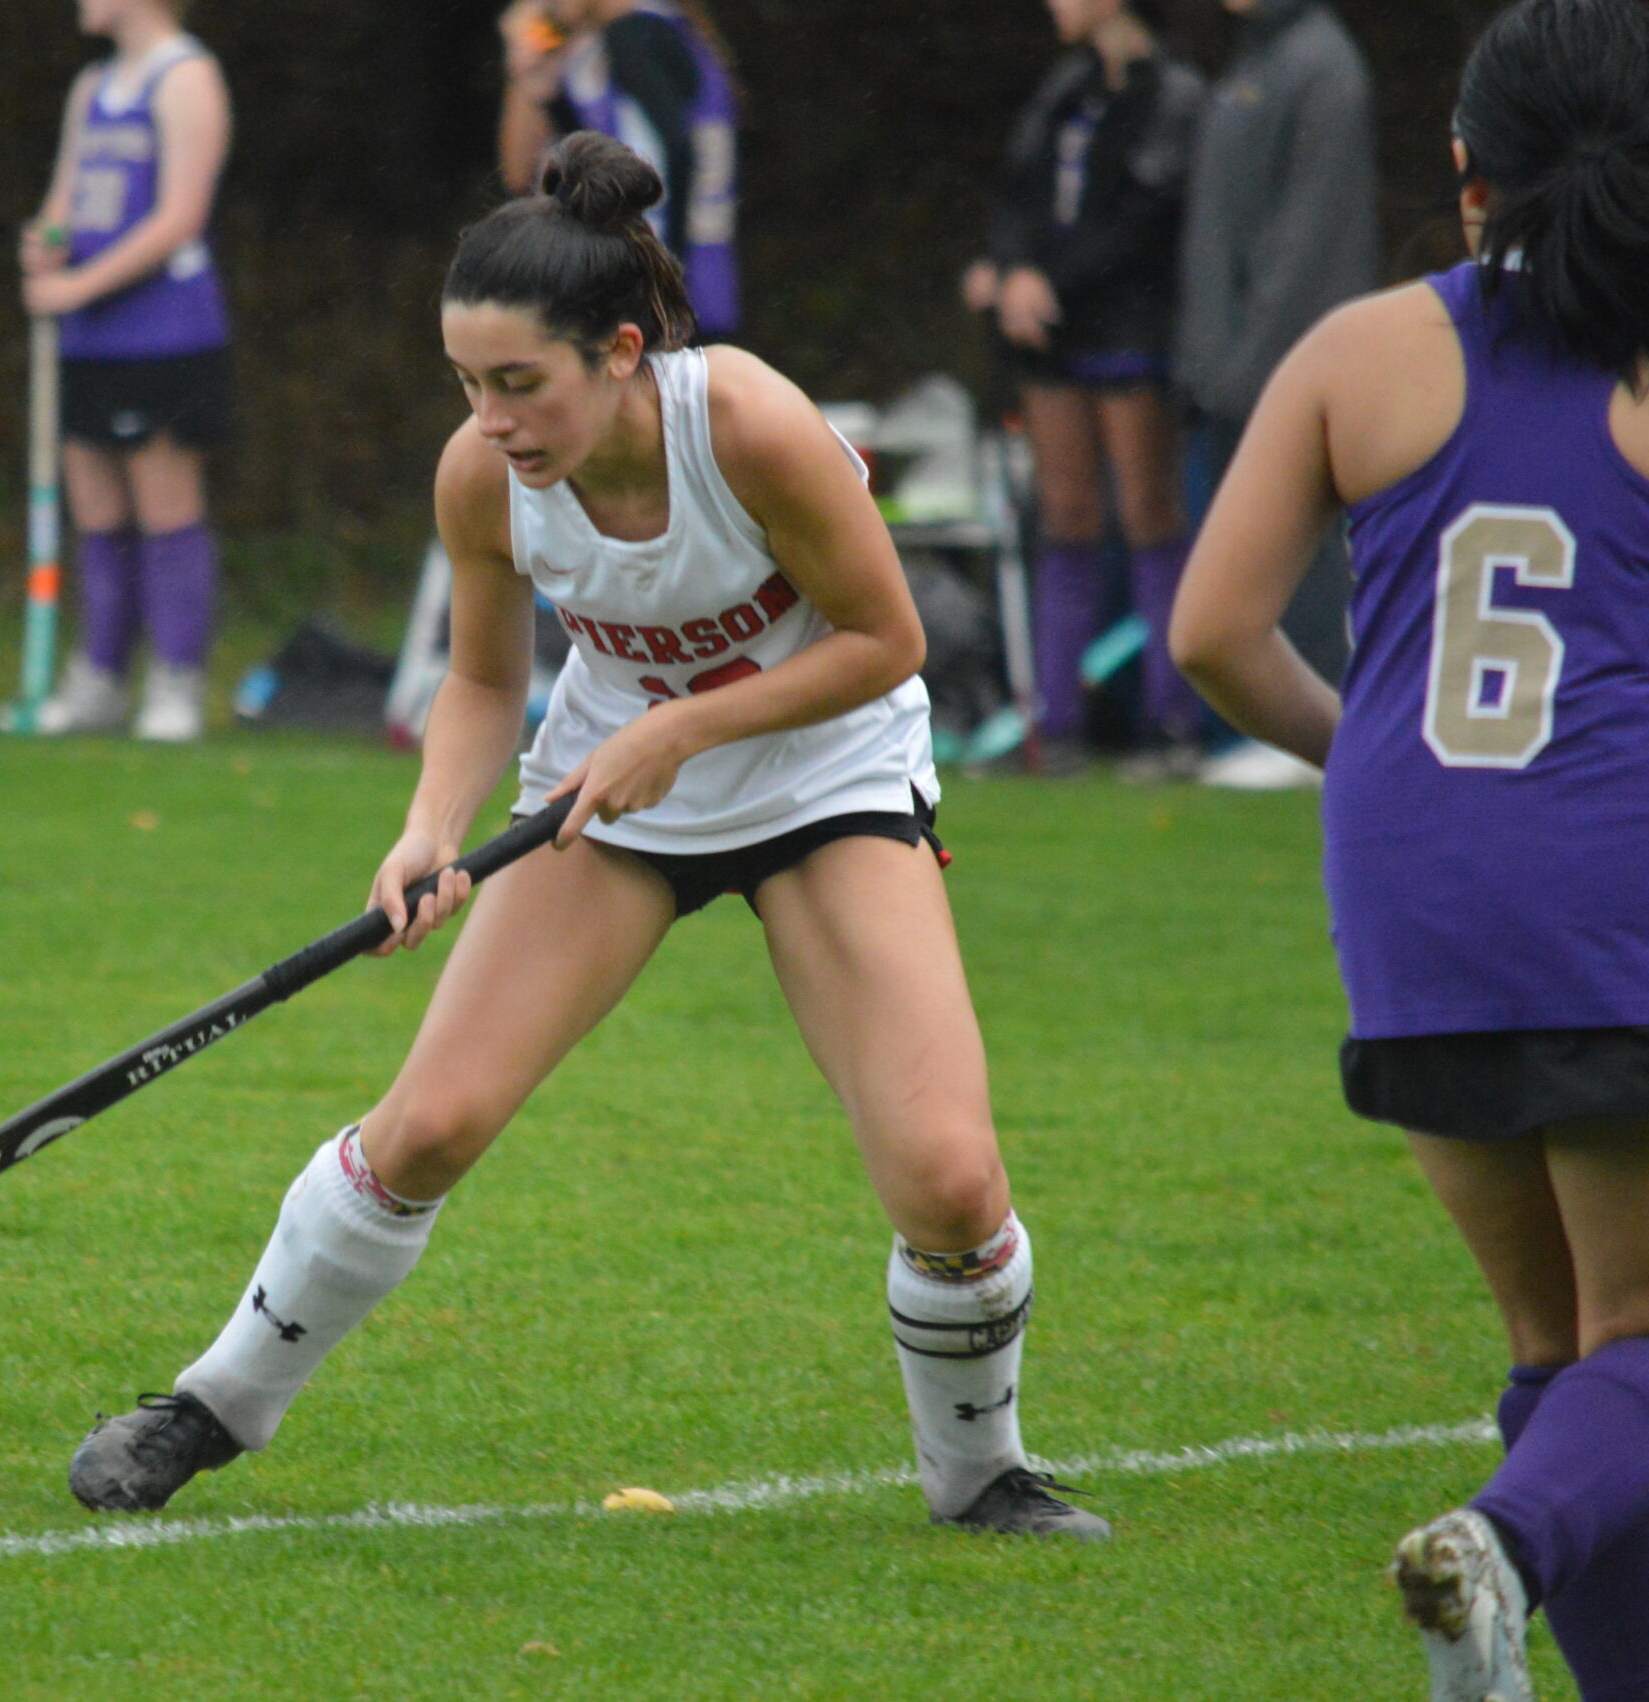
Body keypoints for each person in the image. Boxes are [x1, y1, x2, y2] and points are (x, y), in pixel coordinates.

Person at [66, 134, 1109, 1544]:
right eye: (467, 384)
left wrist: (682, 727)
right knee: (428, 1122)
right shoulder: (480, 478)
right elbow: (486, 681)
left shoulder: (745, 422)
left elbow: (887, 638)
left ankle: (982, 1474)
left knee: (947, 1178)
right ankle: (210, 1405)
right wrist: (429, 828)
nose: (492, 419)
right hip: (607, 796)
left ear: (621, 351)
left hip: (825, 775)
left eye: (519, 383)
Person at [1171, 1, 1649, 1694]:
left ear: (1465, 179)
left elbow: (1217, 631)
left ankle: (1525, 1642)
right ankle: (1503, 1550)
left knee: (1560, 1355)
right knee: (1639, 1345)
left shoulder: (1359, 352)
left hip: (1412, 896)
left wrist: (1370, 757)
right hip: (1610, 893)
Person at [963, 0, 1206, 777]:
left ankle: (1173, 724)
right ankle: (1054, 727)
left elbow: (1142, 220)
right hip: (1052, 340)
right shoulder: (1064, 89)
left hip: (1129, 332)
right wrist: (1008, 272)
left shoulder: (1173, 94)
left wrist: (1046, 284)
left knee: (1148, 513)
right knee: (1063, 516)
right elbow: (1018, 193)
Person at [1173, 0, 1377, 789]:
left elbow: (1311, 238)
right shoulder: (1251, 61)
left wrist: (1258, 360)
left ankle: (1316, 721)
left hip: (1276, 363)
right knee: (1237, 545)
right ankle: (1249, 728)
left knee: (1306, 548)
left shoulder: (1322, 63)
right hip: (1225, 362)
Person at [19, 0, 232, 744]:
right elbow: (66, 202)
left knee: (165, 508)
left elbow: (179, 217)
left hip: (163, 332)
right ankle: (99, 679)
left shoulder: (186, 78)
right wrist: (46, 243)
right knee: (97, 513)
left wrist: (78, 285)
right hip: (89, 339)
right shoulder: (92, 87)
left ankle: (175, 684)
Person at [498, 0, 739, 341]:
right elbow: (529, 173)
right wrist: (544, 89)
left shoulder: (633, 37)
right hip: (699, 291)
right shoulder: (668, 33)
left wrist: (655, 282)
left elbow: (668, 160)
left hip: (651, 305)